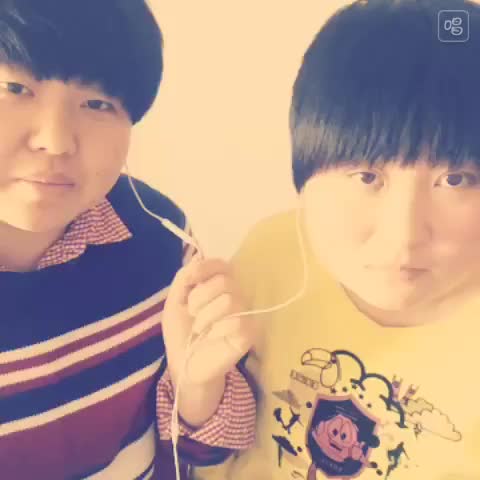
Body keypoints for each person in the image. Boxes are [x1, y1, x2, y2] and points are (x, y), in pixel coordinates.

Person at [193, 0, 480, 478]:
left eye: (455, 180)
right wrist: (196, 386)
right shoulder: (274, 252)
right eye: (367, 176)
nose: (404, 235)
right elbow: (217, 442)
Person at [0, 1, 256, 479]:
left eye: (97, 104)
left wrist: (197, 386)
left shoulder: (158, 236)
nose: (55, 141)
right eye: (15, 88)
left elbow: (203, 456)